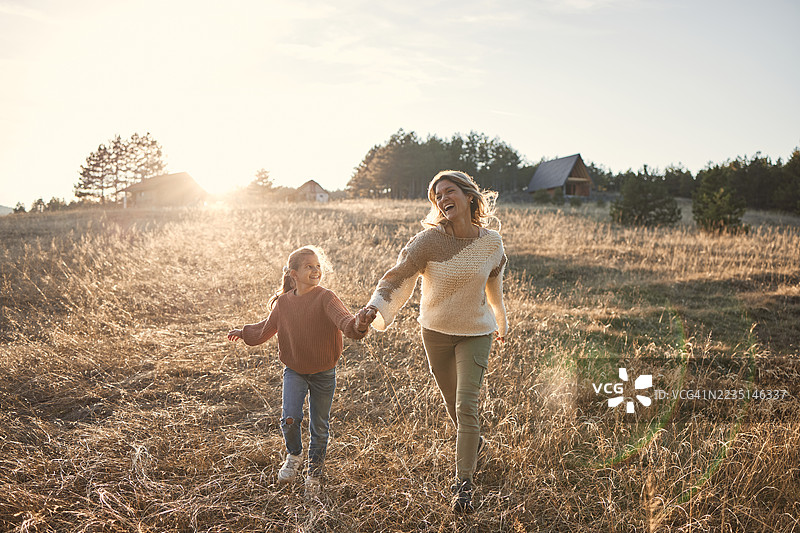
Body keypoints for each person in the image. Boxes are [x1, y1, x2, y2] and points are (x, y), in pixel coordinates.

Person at [361, 170, 507, 513]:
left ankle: (463, 484)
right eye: (437, 196)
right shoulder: (427, 241)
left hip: (476, 332)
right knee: (453, 404)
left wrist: (502, 320)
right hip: (436, 333)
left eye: (449, 191)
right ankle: (473, 443)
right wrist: (373, 307)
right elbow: (396, 277)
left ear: (469, 196)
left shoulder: (492, 242)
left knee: (465, 406)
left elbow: (494, 286)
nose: (442, 199)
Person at [227, 245, 375, 498]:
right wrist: (245, 333)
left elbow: (346, 324)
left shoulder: (326, 297)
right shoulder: (284, 303)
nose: (316, 271)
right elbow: (266, 328)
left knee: (320, 426)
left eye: (318, 266)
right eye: (309, 266)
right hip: (294, 370)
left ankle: (314, 474)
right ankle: (294, 454)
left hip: (323, 373)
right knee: (290, 418)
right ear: (293, 273)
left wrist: (360, 323)